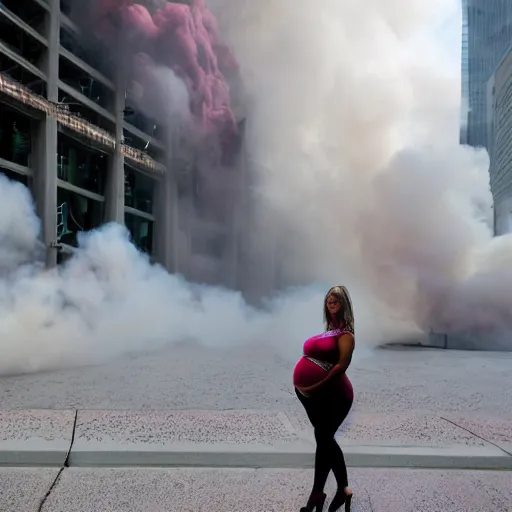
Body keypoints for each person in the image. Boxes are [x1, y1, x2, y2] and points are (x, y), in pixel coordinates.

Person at [293, 285, 355, 512]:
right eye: (329, 300)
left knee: (323, 437)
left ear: (345, 304)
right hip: (313, 394)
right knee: (324, 439)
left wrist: (316, 385)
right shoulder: (327, 331)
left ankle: (317, 495)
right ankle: (342, 489)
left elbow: (341, 366)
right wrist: (304, 387)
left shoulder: (346, 335)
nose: (332, 303)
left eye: (337, 300)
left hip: (335, 395)